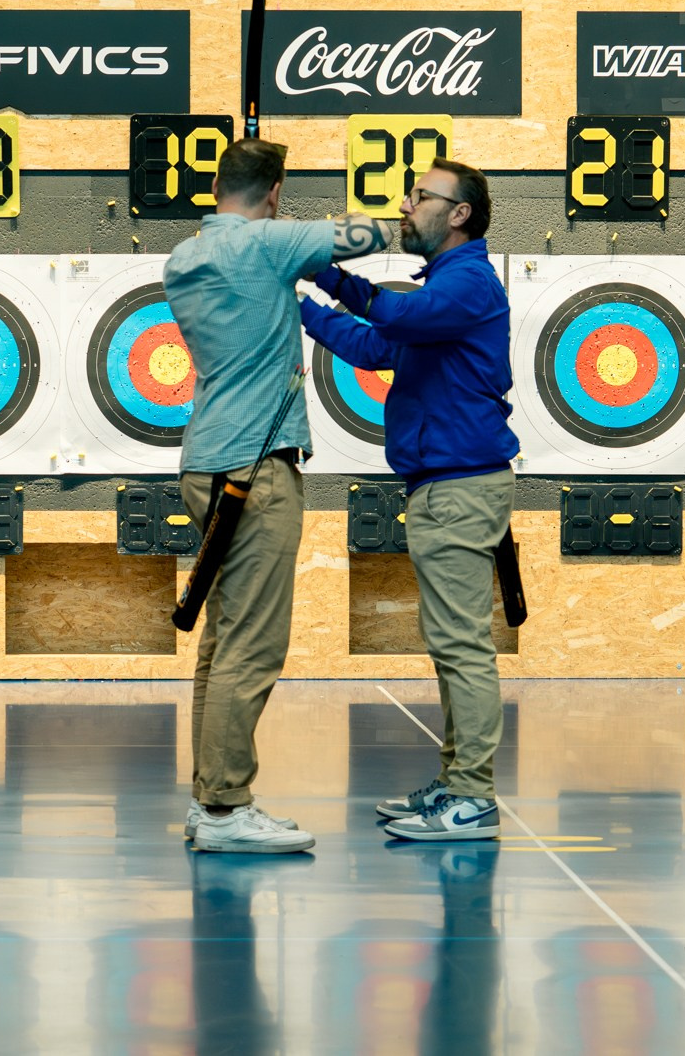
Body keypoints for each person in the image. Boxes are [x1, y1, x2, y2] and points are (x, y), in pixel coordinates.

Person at [165, 138, 393, 854]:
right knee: (255, 642)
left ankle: (210, 800)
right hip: (256, 468)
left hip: (206, 460)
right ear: (274, 192)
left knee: (225, 637)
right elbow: (377, 233)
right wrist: (420, 214)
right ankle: (228, 808)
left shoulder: (186, 256)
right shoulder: (268, 243)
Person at [299, 158, 517, 842]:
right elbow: (372, 343)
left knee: (462, 648)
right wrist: (301, 308)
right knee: (452, 644)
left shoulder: (469, 283)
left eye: (420, 194)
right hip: (440, 486)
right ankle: (456, 782)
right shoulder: (446, 287)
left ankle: (474, 797)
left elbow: (389, 311)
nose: (404, 203)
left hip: (459, 486)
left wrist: (324, 271)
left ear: (459, 213)